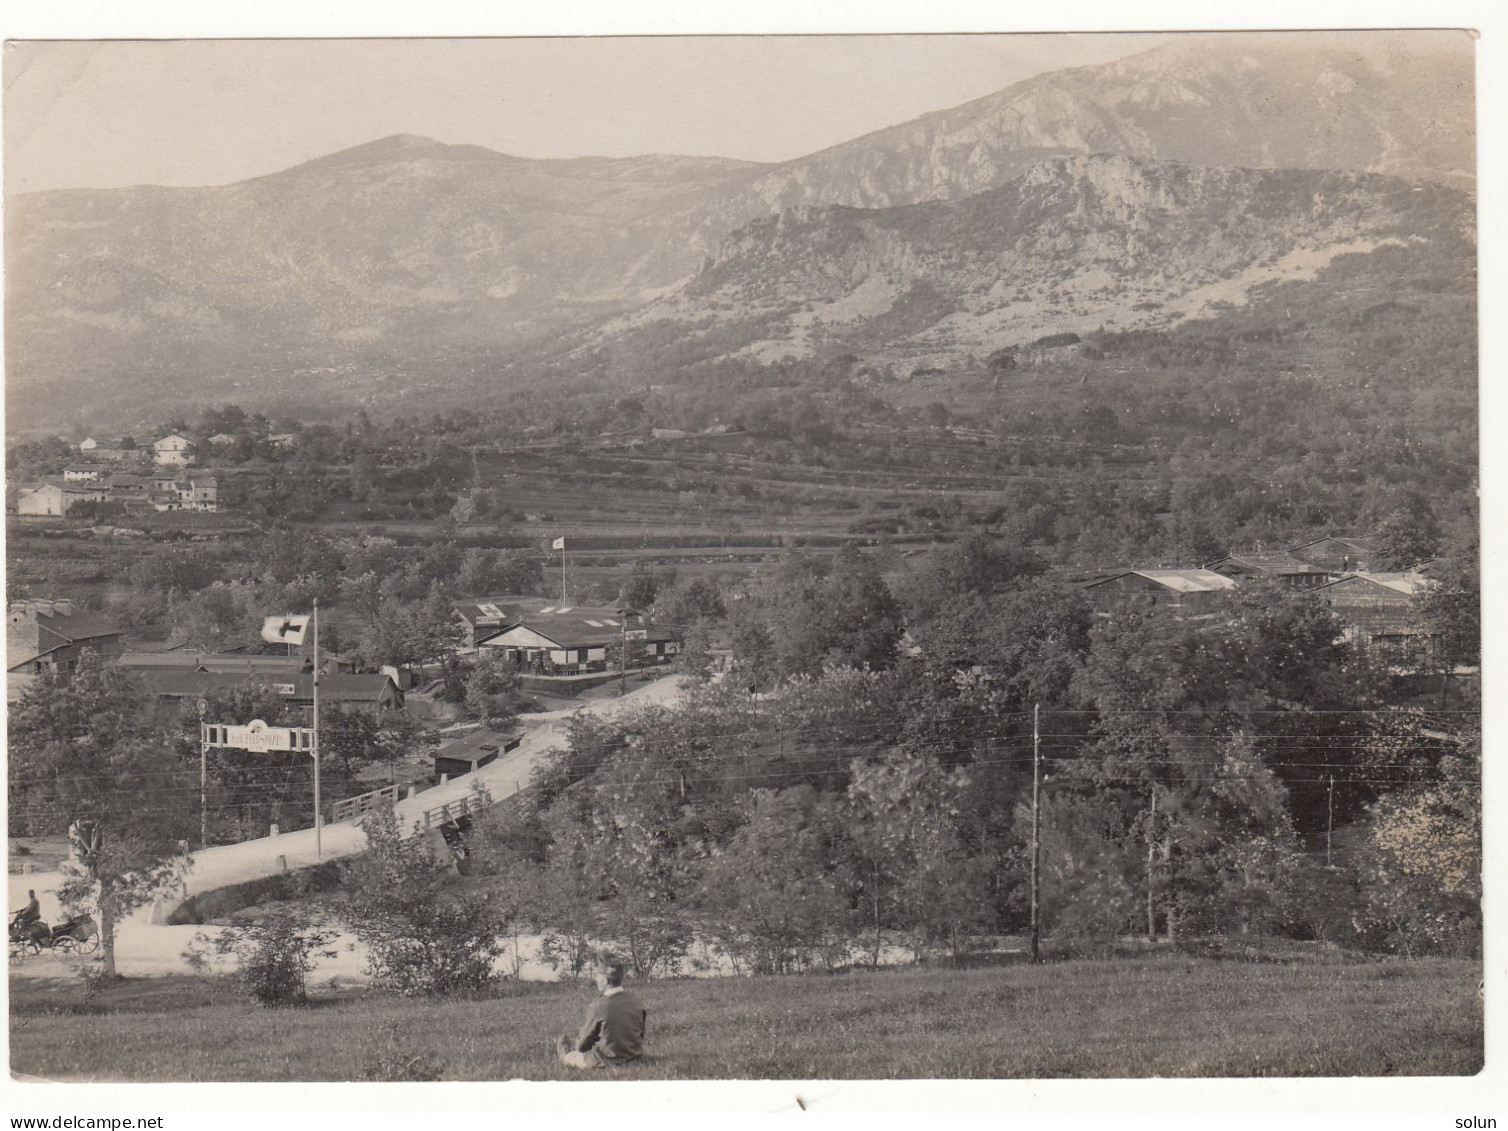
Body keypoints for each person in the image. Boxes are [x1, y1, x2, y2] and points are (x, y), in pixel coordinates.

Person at [556, 952, 648, 1069]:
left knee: (569, 1054)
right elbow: (640, 1035)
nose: (596, 979)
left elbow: (582, 1046)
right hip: (633, 1057)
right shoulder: (637, 1002)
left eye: (598, 975)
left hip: (605, 1060)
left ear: (605, 980)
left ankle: (563, 1048)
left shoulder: (598, 1006)